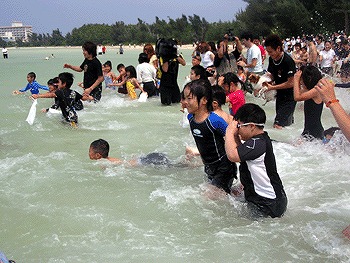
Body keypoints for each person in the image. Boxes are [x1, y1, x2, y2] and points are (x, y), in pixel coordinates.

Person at [225, 103, 287, 218]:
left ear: (252, 126)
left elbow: (233, 156)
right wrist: (234, 136)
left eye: (239, 126)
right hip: (270, 200)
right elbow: (240, 154)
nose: (237, 130)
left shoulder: (257, 144)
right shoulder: (259, 140)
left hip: (268, 204)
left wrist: (229, 131)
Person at [183, 79, 237, 194]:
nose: (185, 102)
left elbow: (232, 136)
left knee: (209, 197)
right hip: (209, 166)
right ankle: (237, 192)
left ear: (204, 100)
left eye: (189, 98)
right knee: (222, 194)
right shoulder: (190, 118)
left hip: (224, 167)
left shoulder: (214, 121)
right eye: (184, 98)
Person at [263, 34, 297, 129]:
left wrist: (272, 87)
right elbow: (272, 75)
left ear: (278, 48)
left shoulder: (288, 61)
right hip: (280, 96)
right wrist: (262, 82)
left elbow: (291, 83)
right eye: (268, 52)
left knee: (277, 124)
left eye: (271, 52)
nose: (269, 54)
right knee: (287, 123)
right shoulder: (271, 59)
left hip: (290, 97)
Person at [89, 139, 173, 167]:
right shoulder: (109, 159)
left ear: (97, 155)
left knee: (175, 166)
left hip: (143, 162)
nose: (88, 154)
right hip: (143, 159)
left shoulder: (103, 162)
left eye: (90, 152)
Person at [293, 65, 324, 140]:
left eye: (301, 80)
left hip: (314, 132)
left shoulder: (316, 90)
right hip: (308, 131)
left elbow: (297, 97)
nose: (300, 82)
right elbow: (298, 92)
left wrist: (296, 79)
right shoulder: (310, 90)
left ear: (308, 79)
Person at [158, 41, 186, 105]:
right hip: (165, 85)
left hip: (174, 83)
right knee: (166, 104)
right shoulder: (162, 57)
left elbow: (184, 63)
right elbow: (165, 70)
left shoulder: (176, 57)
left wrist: (176, 56)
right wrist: (167, 58)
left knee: (177, 102)